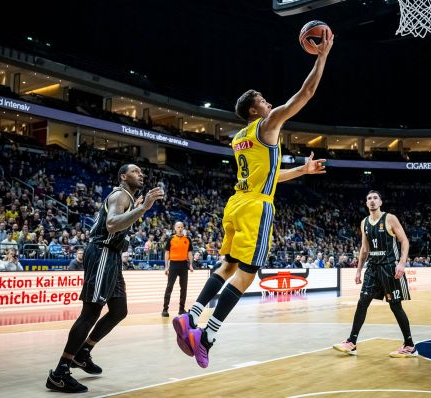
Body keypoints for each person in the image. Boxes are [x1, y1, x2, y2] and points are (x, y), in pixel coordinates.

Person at [172, 31, 333, 369]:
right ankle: (207, 335)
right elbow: (306, 93)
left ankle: (192, 317)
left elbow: (269, 175)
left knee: (228, 265)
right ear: (252, 109)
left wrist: (301, 170)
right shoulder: (266, 124)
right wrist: (322, 56)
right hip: (257, 206)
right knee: (248, 272)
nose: (268, 101)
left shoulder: (240, 138)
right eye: (261, 99)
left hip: (237, 204)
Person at [46, 164, 164, 393]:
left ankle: (83, 352)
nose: (141, 174)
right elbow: (111, 224)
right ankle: (60, 373)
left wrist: (139, 209)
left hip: (112, 257)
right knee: (90, 312)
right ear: (123, 176)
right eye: (136, 171)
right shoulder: (120, 195)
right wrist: (144, 209)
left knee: (119, 310)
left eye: (142, 172)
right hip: (101, 253)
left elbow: (119, 228)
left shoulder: (128, 198)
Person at [332, 190, 416, 358]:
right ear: (366, 203)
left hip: (390, 267)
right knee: (362, 302)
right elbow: (364, 249)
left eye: (375, 198)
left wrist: (401, 263)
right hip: (373, 268)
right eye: (369, 198)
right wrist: (358, 269)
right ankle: (352, 342)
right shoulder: (364, 223)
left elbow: (404, 241)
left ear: (380, 202)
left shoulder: (390, 218)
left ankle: (409, 345)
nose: (372, 201)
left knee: (395, 306)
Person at [162, 221, 193, 317]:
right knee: (169, 287)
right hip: (173, 265)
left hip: (184, 265)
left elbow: (190, 253)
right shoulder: (171, 239)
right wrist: (166, 267)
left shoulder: (187, 239)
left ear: (183, 228)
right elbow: (167, 253)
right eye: (178, 227)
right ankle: (165, 309)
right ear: (175, 228)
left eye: (181, 227)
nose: (180, 228)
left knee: (184, 288)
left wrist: (191, 264)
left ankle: (181, 309)